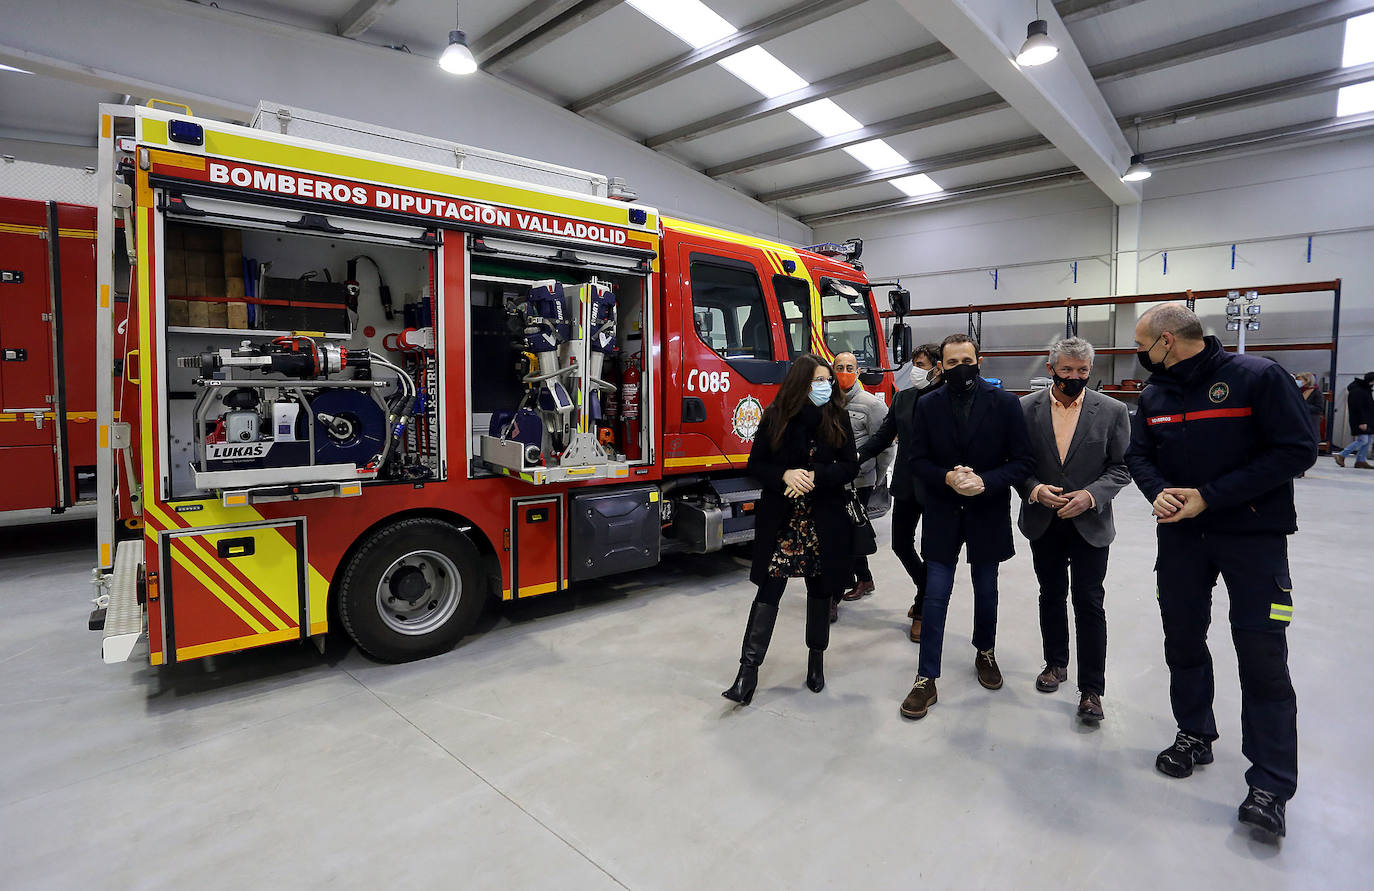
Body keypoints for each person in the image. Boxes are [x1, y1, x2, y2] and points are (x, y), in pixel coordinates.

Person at [1125, 303, 1316, 841]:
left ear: (1166, 341)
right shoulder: (1155, 395)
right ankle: (1194, 733)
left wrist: (1209, 497)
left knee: (1262, 657)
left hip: (1253, 541)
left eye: (1142, 345)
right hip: (1182, 541)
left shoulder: (1257, 378)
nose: (1140, 356)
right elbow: (1139, 455)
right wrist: (1159, 492)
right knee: (1182, 640)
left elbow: (1296, 451)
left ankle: (1270, 785)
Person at [899, 334, 1035, 720]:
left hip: (986, 511)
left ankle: (985, 652)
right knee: (936, 595)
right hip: (943, 512)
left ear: (980, 360)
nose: (961, 368)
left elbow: (1022, 461)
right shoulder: (928, 405)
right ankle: (926, 679)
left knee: (986, 591)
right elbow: (916, 459)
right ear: (941, 366)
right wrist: (946, 478)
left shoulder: (1006, 404)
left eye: (967, 360)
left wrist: (986, 482)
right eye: (952, 362)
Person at [722, 354, 859, 705]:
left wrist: (816, 477)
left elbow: (849, 467)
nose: (826, 386)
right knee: (768, 592)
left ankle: (816, 663)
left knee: (819, 591)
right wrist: (784, 474)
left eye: (827, 380)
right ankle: (746, 674)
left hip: (822, 522)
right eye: (818, 380)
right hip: (783, 521)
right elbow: (756, 464)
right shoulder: (776, 416)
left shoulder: (837, 415)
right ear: (801, 383)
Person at [1014, 337, 1132, 724]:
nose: (1075, 377)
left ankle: (1092, 689)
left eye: (1082, 371)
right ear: (1051, 369)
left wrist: (1092, 496)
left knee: (1089, 602)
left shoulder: (1112, 411)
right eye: (1067, 370)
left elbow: (1121, 467)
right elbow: (1015, 463)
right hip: (1043, 520)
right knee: (1051, 594)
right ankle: (1056, 663)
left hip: (1090, 523)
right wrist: (1033, 488)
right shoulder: (1025, 410)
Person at [858, 344, 943, 641]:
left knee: (933, 552)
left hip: (936, 488)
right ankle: (925, 589)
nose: (916, 370)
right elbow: (884, 435)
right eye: (914, 364)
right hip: (906, 483)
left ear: (938, 367)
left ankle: (922, 610)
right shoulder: (904, 398)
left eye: (921, 364)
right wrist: (857, 455)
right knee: (900, 544)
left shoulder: (946, 399)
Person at [834, 351, 893, 614]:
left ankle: (833, 596)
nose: (844, 371)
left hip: (860, 482)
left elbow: (886, 447)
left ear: (858, 372)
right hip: (834, 480)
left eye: (849, 367)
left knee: (846, 534)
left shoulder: (872, 405)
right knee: (852, 532)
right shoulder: (829, 402)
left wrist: (877, 478)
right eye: (839, 367)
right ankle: (865, 579)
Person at [1333, 371, 1374, 469]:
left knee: (1368, 440)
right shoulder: (1359, 391)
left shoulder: (1366, 389)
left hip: (1368, 420)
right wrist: (1362, 421)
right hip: (1361, 420)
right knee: (1363, 440)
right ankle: (1342, 454)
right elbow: (1358, 407)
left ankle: (1361, 460)